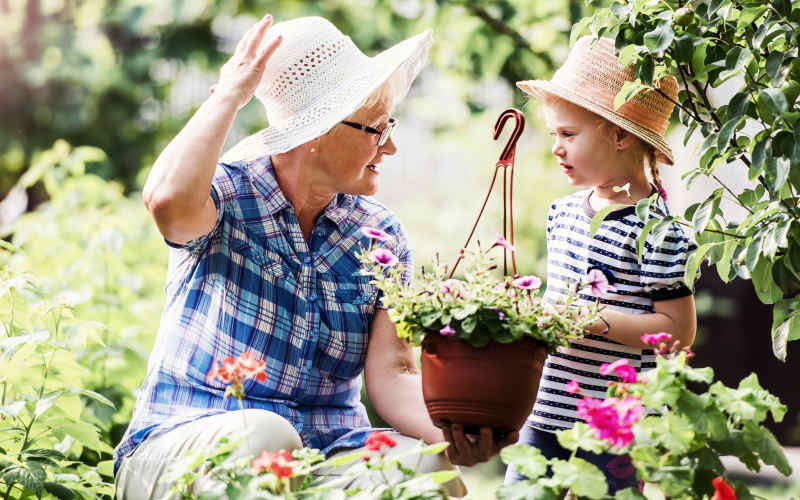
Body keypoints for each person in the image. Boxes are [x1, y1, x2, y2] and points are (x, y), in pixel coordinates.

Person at [113, 15, 514, 499]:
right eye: (376, 129)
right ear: (318, 131)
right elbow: (167, 205)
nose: (390, 146)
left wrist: (458, 434)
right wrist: (228, 95)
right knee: (264, 436)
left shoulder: (379, 234)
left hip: (321, 454)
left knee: (426, 471)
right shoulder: (225, 197)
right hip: (183, 449)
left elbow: (393, 374)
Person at [506, 36, 697, 492]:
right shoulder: (564, 213)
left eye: (568, 135)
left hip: (620, 418)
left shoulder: (660, 229)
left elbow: (678, 329)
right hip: (550, 407)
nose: (556, 147)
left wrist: (593, 319)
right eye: (555, 134)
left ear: (620, 135)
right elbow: (559, 300)